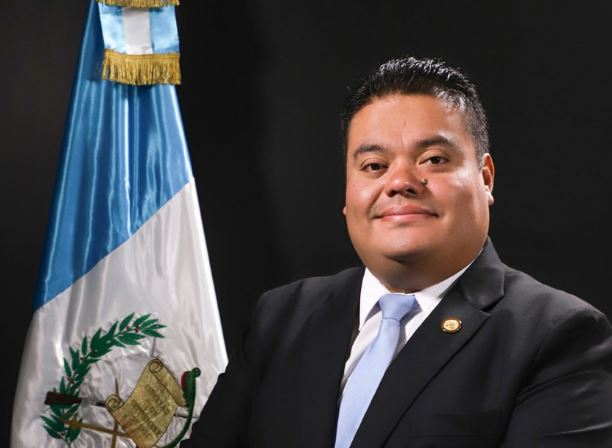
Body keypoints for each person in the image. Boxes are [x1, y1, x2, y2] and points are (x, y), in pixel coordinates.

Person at [182, 57, 612, 447]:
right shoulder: (281, 319)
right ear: (347, 194)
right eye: (374, 166)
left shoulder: (558, 337)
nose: (400, 182)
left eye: (434, 159)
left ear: (485, 178)